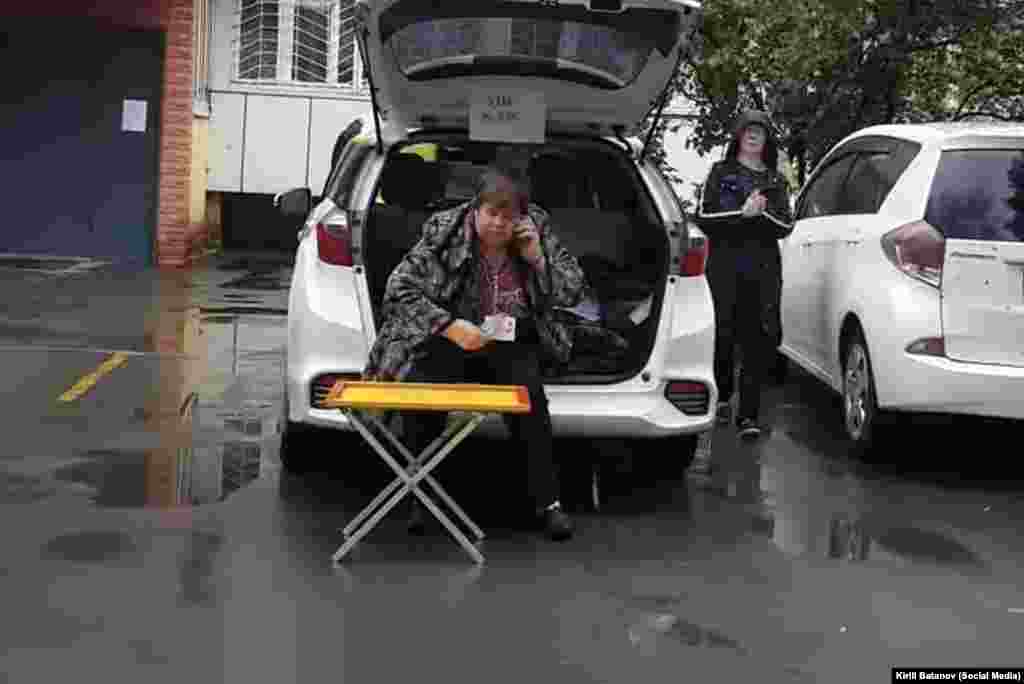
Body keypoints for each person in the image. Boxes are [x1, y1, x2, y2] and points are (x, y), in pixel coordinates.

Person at [362, 160, 587, 541]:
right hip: (452, 336)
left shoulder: (537, 231)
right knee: (422, 390)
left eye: (509, 215)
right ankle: (423, 497)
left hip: (512, 340)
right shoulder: (445, 231)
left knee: (530, 397)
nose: (499, 223)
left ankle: (547, 503)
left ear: (522, 216)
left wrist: (536, 258)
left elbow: (573, 294)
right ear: (475, 209)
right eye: (492, 213)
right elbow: (398, 290)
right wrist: (449, 327)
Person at [696, 109, 794, 441]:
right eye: (749, 130)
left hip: (763, 267)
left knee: (758, 338)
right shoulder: (720, 171)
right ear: (739, 135)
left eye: (761, 131)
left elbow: (785, 226)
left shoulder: (776, 180)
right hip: (725, 264)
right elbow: (705, 216)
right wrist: (742, 214)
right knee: (723, 333)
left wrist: (761, 214)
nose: (754, 135)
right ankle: (723, 395)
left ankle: (748, 415)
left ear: (767, 140)